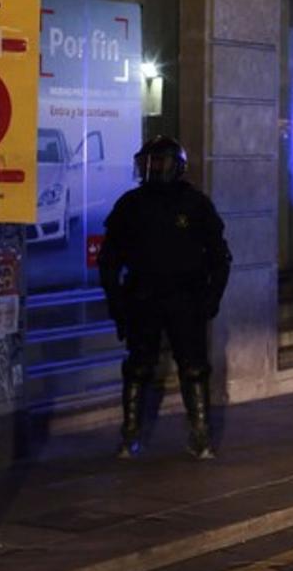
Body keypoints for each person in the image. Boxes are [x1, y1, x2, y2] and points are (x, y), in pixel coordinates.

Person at [98, 136, 232, 460]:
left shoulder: (195, 205)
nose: (154, 168)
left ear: (177, 165)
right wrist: (116, 303)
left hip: (185, 297)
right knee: (138, 367)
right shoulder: (130, 205)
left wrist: (211, 298)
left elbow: (219, 256)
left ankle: (200, 436)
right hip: (143, 296)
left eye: (160, 161)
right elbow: (109, 259)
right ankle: (130, 435)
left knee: (194, 368)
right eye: (149, 162)